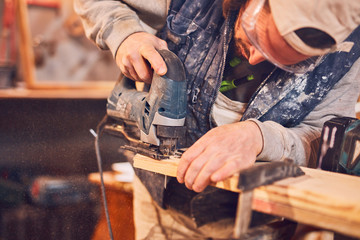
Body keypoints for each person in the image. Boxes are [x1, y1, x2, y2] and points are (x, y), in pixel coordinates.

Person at [74, 0, 360, 239]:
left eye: (285, 61)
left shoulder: (349, 52)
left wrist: (260, 138)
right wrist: (124, 34)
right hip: (160, 203)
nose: (256, 57)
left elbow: (326, 142)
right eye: (257, 36)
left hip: (257, 222)